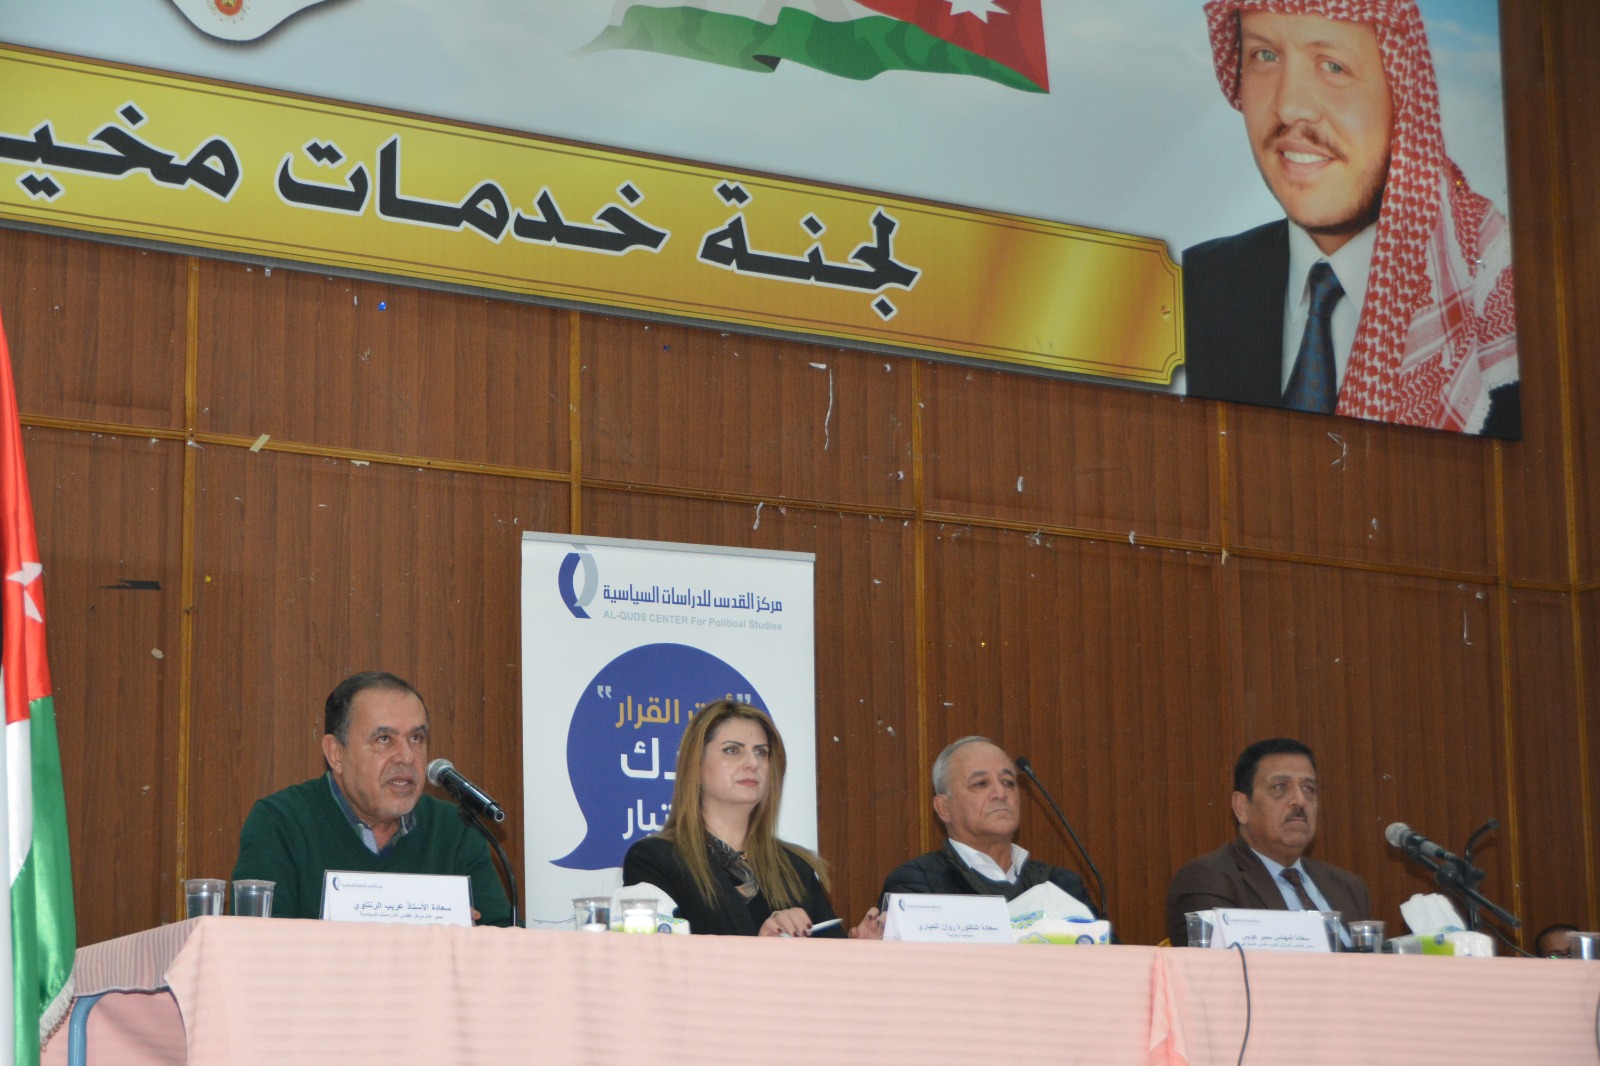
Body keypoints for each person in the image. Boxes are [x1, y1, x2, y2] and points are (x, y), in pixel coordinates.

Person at [1181, 0, 1519, 437]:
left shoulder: (1496, 309)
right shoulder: (1194, 286)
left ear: (1402, 94)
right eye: (1265, 56)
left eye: (1333, 66)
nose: (1290, 107)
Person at [231, 671, 512, 925]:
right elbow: (256, 946)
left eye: (416, 738)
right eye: (384, 739)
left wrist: (474, 937)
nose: (406, 757)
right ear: (335, 754)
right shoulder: (279, 824)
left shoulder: (457, 828)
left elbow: (507, 942)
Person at [622, 699, 877, 937]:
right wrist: (759, 946)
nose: (752, 763)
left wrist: (861, 952)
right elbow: (656, 957)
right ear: (695, 766)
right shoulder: (656, 860)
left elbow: (830, 960)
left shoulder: (795, 868)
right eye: (732, 750)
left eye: (761, 752)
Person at [1165, 737, 1370, 945]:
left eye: (1308, 788)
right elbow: (1217, 963)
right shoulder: (1209, 880)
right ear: (1241, 807)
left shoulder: (1349, 888)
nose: (1299, 800)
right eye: (1280, 787)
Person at [880, 736, 1097, 914]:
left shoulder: (1061, 885)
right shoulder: (918, 884)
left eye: (1008, 782)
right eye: (981, 783)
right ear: (944, 808)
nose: (1001, 794)